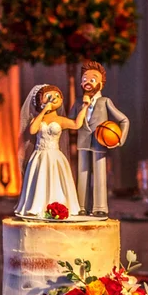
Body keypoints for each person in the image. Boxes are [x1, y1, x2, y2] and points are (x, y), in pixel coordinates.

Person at [15, 84, 89, 218]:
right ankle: (37, 206)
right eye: (48, 96)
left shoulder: (60, 120)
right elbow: (33, 130)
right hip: (40, 156)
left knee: (56, 180)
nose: (53, 98)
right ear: (40, 101)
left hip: (55, 156)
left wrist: (85, 107)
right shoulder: (38, 119)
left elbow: (76, 124)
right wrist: (43, 111)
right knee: (40, 180)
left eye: (57, 96)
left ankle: (58, 207)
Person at [69, 61, 129, 217]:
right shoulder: (77, 102)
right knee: (82, 174)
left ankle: (99, 207)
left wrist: (118, 140)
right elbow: (69, 121)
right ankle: (81, 206)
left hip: (100, 142)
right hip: (82, 142)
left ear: (101, 84)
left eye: (93, 79)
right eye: (84, 79)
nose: (87, 82)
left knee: (100, 175)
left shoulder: (105, 102)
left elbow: (124, 120)